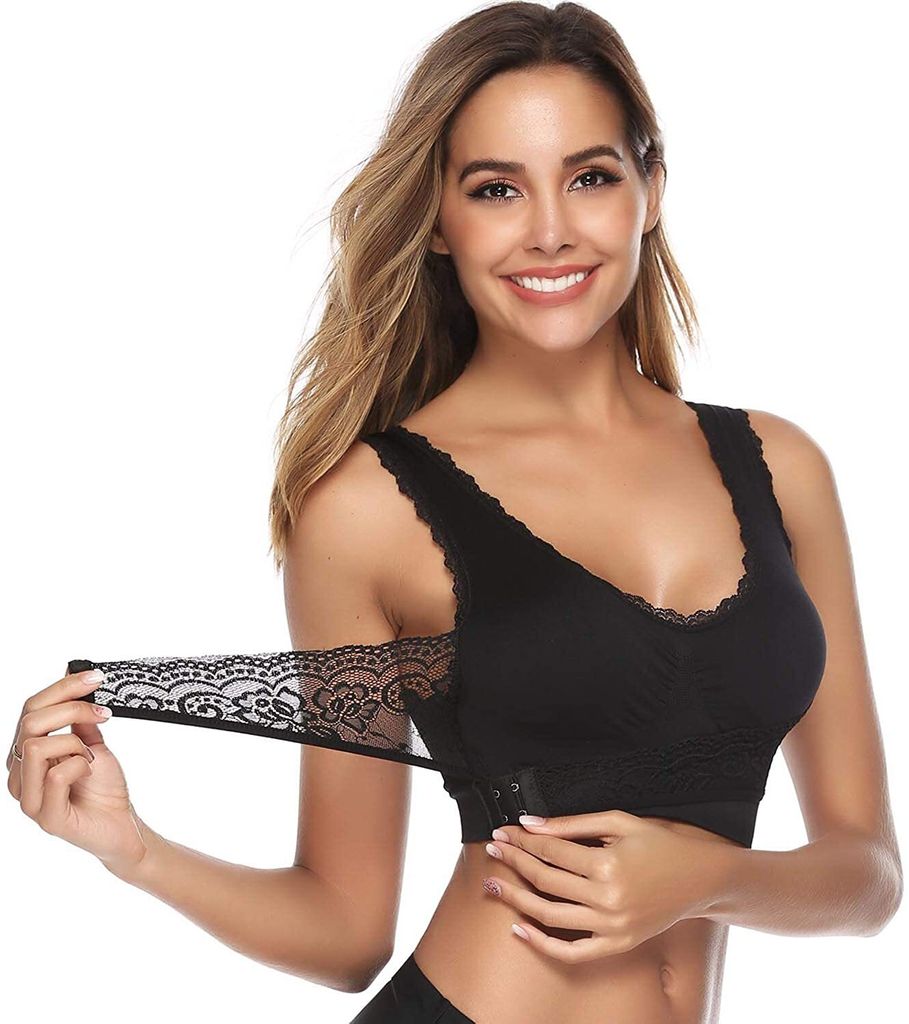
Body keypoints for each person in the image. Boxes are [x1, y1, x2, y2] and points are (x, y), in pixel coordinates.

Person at [8, 3, 902, 1022]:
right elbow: (346, 932)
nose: (550, 228)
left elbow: (868, 877)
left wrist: (705, 876)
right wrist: (133, 849)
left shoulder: (782, 468)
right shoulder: (368, 508)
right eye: (495, 189)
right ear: (438, 220)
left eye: (590, 176)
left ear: (651, 190)